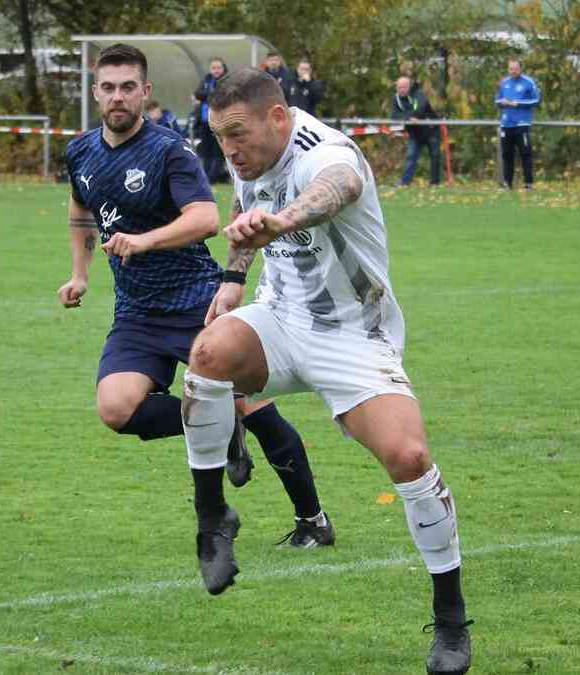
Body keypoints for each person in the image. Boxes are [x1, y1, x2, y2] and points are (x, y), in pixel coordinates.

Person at [184, 68, 472, 674]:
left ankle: (450, 619)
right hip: (283, 320)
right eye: (220, 137)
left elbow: (334, 189)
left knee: (411, 459)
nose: (229, 149)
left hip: (353, 335)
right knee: (207, 355)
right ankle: (213, 518)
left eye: (238, 134)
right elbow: (246, 201)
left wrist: (282, 222)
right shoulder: (247, 155)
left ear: (279, 119)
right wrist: (235, 279)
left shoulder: (330, 153)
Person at [56, 44, 335, 549]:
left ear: (144, 92)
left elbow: (206, 219)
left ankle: (313, 521)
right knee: (117, 409)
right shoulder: (80, 152)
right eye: (108, 87)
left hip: (197, 302)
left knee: (258, 411)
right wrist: (80, 274)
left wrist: (143, 240)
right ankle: (222, 426)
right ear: (95, 92)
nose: (117, 97)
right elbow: (80, 208)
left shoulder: (168, 150)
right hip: (137, 313)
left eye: (127, 87)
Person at [494, 58, 540, 190]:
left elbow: (536, 100)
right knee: (507, 155)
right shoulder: (504, 83)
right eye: (510, 69)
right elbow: (497, 100)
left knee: (525, 153)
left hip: (522, 124)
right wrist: (501, 102)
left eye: (515, 69)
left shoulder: (528, 82)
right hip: (506, 124)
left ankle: (528, 184)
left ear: (520, 69)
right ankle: (507, 183)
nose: (512, 71)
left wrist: (517, 103)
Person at [390, 76, 441, 187]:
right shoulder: (396, 99)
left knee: (435, 155)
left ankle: (435, 182)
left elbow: (420, 109)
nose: (401, 90)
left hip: (431, 129)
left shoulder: (418, 94)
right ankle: (404, 182)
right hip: (414, 133)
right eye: (399, 87)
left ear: (409, 86)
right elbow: (394, 116)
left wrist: (410, 116)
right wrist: (408, 118)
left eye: (404, 87)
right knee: (411, 156)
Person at [193, 58, 229, 183]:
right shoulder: (207, 80)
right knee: (205, 150)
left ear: (223, 68)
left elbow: (221, 95)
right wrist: (209, 94)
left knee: (217, 150)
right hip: (204, 121)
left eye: (218, 67)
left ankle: (213, 177)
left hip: (220, 121)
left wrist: (206, 95)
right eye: (213, 68)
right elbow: (197, 93)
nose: (216, 70)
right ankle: (206, 177)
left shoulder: (227, 81)